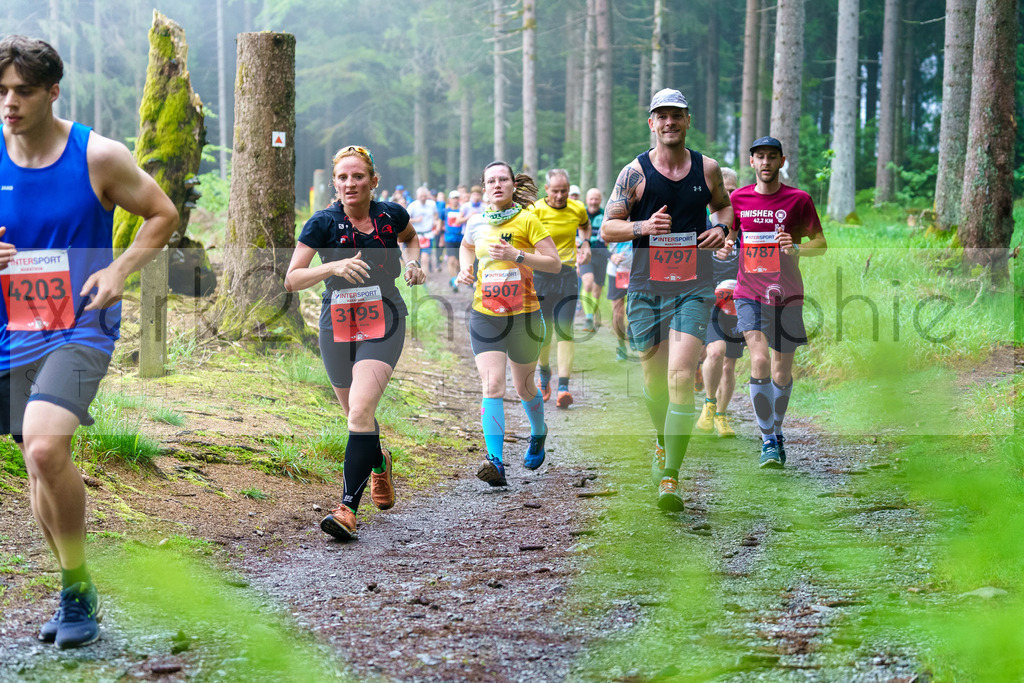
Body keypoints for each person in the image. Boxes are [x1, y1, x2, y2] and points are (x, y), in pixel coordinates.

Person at [0, 36, 179, 648]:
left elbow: (162, 212)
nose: (10, 102)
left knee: (45, 447)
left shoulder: (97, 155)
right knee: (36, 461)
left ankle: (76, 588)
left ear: (53, 92)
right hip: (12, 329)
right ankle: (74, 584)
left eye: (24, 91)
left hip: (82, 323)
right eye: (1, 91)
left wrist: (120, 269)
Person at [601, 88, 734, 511]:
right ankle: (662, 440)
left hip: (693, 287)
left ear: (687, 120)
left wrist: (721, 230)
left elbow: (724, 208)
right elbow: (607, 228)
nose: (670, 122)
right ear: (652, 123)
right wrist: (642, 227)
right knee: (655, 382)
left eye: (677, 115)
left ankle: (671, 476)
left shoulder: (707, 168)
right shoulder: (634, 173)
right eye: (662, 116)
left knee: (680, 376)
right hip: (646, 289)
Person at [285, 145, 426, 540]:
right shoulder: (321, 223)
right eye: (343, 177)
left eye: (358, 176)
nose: (350, 183)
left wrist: (414, 263)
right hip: (337, 324)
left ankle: (347, 509)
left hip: (386, 318)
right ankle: (379, 462)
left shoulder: (391, 215)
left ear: (373, 180)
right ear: (335, 183)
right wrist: (333, 265)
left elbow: (411, 239)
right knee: (356, 418)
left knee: (361, 412)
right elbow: (291, 279)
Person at [724, 136, 827, 468]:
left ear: (782, 161)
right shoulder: (738, 198)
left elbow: (820, 243)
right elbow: (729, 236)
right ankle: (768, 440)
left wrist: (796, 248)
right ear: (751, 162)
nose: (765, 162)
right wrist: (725, 247)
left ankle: (777, 431)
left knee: (782, 371)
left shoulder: (799, 199)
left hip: (787, 295)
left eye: (772, 157)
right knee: (759, 361)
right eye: (760, 157)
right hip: (749, 294)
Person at [456, 162, 561, 485]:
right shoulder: (475, 222)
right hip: (485, 315)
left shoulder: (528, 219)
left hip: (524, 317)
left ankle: (538, 431)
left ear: (514, 185)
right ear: (484, 187)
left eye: (503, 179)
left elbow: (554, 264)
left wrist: (518, 256)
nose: (497, 184)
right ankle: (495, 462)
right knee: (492, 385)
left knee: (525, 387)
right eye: (491, 180)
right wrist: (465, 268)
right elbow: (466, 246)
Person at [529, 169, 591, 408]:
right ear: (547, 189)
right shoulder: (535, 210)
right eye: (555, 191)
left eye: (564, 190)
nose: (560, 195)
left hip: (567, 276)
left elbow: (585, 226)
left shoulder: (577, 208)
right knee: (543, 333)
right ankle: (545, 372)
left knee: (565, 331)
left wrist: (585, 243)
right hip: (541, 276)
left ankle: (563, 387)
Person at [695, 167, 743, 437]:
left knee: (729, 364)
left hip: (740, 301)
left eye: (733, 190)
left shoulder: (746, 224)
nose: (729, 195)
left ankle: (721, 416)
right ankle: (709, 404)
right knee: (715, 352)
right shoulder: (701, 222)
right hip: (709, 299)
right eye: (723, 190)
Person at [577, 187, 608, 333]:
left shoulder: (605, 215)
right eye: (591, 199)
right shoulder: (580, 213)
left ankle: (592, 316)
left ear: (600, 200)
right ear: (587, 200)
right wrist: (576, 259)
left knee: (597, 290)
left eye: (596, 199)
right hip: (585, 254)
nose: (594, 202)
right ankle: (588, 318)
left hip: (601, 255)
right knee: (588, 283)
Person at [407, 186, 439, 274]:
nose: (423, 198)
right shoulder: (413, 205)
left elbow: (436, 214)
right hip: (416, 235)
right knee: (415, 259)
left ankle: (425, 278)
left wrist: (435, 222)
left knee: (425, 258)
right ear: (417, 196)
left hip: (427, 234)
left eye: (425, 196)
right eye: (421, 196)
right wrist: (416, 220)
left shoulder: (432, 204)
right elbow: (406, 220)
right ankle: (416, 276)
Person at [443, 189, 463, 292]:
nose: (455, 200)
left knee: (459, 264)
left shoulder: (462, 210)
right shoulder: (445, 211)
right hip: (449, 238)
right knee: (451, 261)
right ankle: (454, 281)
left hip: (461, 238)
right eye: (453, 198)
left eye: (456, 198)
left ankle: (453, 279)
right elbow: (441, 222)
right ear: (450, 199)